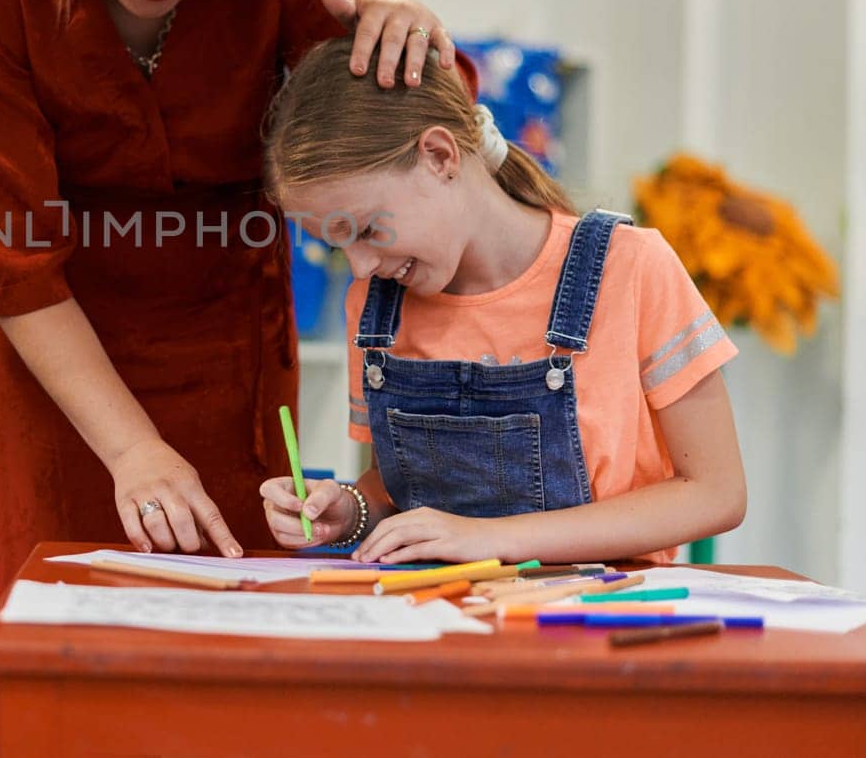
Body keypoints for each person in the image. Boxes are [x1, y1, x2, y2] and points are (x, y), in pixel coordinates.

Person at [0, 0, 473, 755]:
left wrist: (414, 31)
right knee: (31, 647)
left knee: (225, 655)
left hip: (227, 355)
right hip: (50, 361)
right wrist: (130, 449)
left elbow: (420, 145)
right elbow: (4, 253)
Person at [259, 38, 746, 564]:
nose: (359, 266)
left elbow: (716, 493)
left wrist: (496, 538)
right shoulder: (374, 305)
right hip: (432, 619)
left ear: (440, 156)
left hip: (596, 621)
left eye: (370, 229)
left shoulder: (630, 267)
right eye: (338, 246)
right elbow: (396, 489)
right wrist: (352, 508)